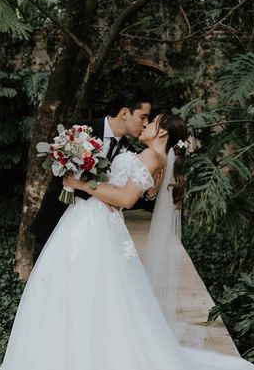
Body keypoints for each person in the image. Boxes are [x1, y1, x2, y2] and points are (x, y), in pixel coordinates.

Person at [0, 113, 254, 370]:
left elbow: (126, 199)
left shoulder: (151, 156)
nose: (144, 125)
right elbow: (136, 191)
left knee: (90, 295)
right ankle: (71, 368)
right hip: (90, 224)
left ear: (162, 133)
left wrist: (80, 182)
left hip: (100, 227)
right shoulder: (146, 155)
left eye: (152, 121)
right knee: (84, 295)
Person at [29, 87, 161, 263]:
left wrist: (150, 194)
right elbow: (59, 169)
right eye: (143, 117)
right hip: (55, 221)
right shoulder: (79, 130)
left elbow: (126, 198)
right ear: (124, 113)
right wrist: (99, 191)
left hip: (91, 235)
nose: (145, 124)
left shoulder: (128, 153)